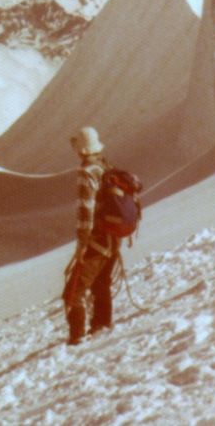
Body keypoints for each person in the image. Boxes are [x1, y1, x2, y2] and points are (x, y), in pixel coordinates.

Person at [62, 126, 120, 345]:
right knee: (101, 283)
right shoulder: (106, 166)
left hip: (97, 239)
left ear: (80, 149)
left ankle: (77, 337)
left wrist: (83, 242)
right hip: (113, 237)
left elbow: (86, 209)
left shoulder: (86, 172)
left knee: (73, 292)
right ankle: (102, 325)